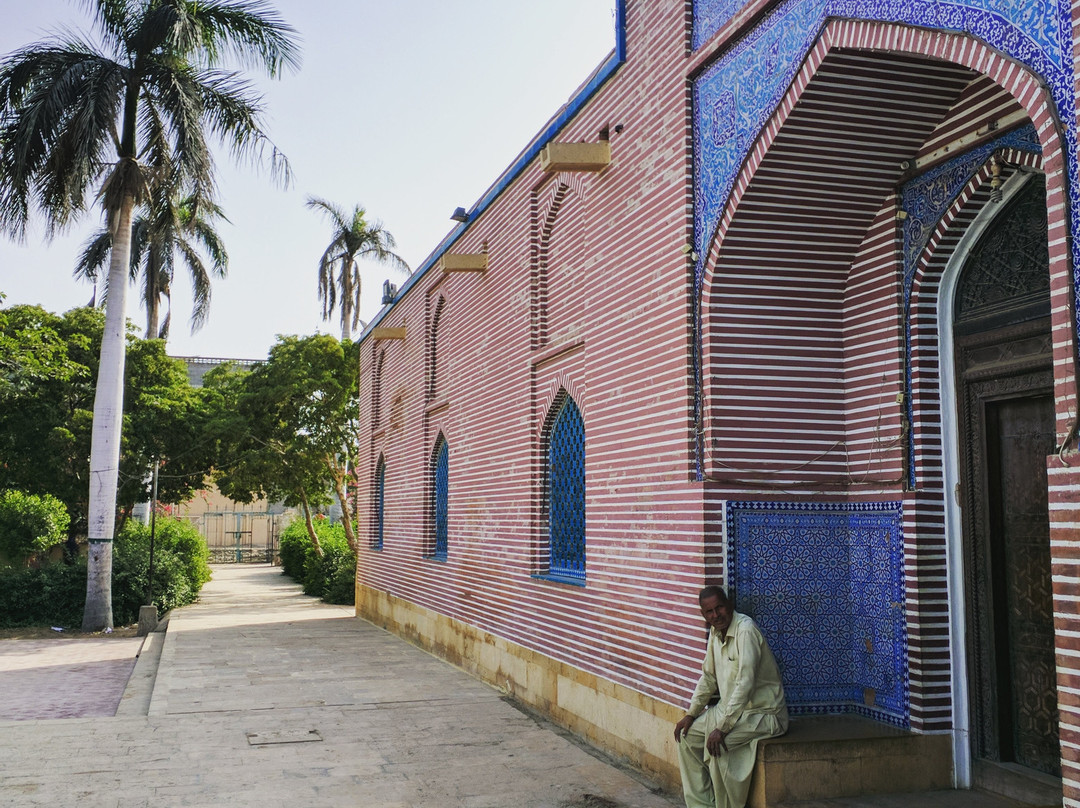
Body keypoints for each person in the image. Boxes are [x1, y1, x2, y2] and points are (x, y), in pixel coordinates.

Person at [673, 585, 788, 808]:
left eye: (720, 608)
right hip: (730, 711)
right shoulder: (716, 633)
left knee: (718, 745)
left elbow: (745, 683)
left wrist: (722, 727)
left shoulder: (745, 630)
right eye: (710, 612)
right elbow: (708, 678)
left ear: (730, 605)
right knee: (686, 738)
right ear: (703, 615)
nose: (716, 615)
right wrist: (691, 714)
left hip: (764, 714)